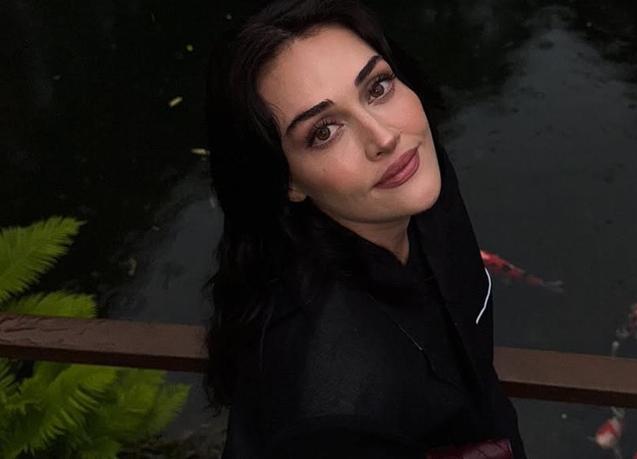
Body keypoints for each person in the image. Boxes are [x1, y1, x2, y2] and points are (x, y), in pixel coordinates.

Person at [204, 1, 527, 457]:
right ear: (287, 180)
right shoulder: (335, 410)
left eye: (377, 87)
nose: (384, 137)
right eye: (324, 131)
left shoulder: (412, 180)